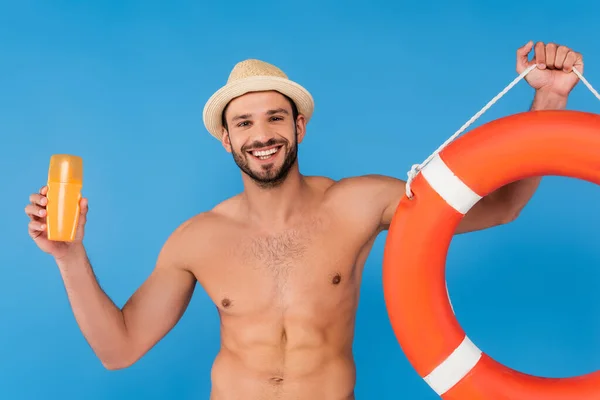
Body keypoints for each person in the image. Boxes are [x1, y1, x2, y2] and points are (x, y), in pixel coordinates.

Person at [25, 41, 583, 399]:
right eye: (243, 123)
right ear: (227, 141)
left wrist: (549, 102)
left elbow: (501, 206)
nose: (261, 134)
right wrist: (69, 256)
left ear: (299, 128)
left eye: (274, 118)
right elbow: (119, 350)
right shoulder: (197, 238)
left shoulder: (362, 202)